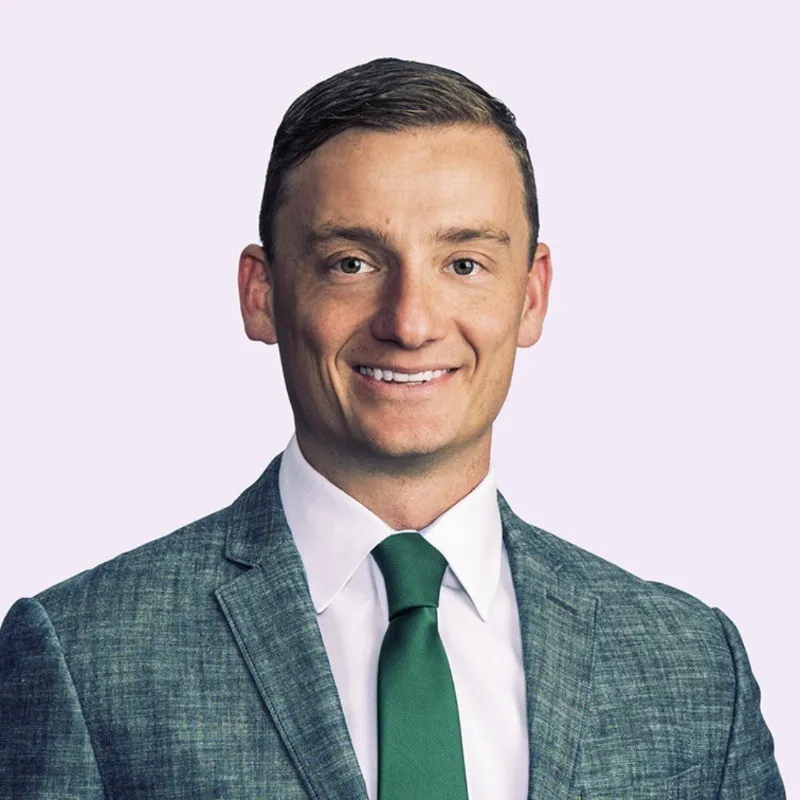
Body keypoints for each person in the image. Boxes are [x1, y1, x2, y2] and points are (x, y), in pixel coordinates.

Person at [0, 57, 785, 800]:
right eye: (352, 263)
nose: (410, 323)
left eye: (464, 264)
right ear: (262, 293)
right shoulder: (84, 654)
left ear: (532, 296)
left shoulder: (694, 666)